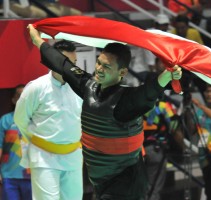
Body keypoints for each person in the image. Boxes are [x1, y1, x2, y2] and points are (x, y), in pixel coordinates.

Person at [27, 24, 182, 200]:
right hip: (100, 180)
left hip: (126, 182)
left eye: (107, 67)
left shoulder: (127, 101)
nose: (99, 69)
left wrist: (168, 75)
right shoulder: (87, 86)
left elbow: (149, 91)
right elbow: (63, 65)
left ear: (122, 72)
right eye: (99, 63)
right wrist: (38, 41)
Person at [14, 40, 83, 200]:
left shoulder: (80, 87)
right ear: (53, 60)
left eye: (75, 63)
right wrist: (36, 140)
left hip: (73, 155)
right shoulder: (36, 87)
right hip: (44, 156)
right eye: (68, 63)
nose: (72, 67)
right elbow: (20, 119)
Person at [0, 84, 32, 200]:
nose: (23, 99)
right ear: (14, 100)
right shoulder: (5, 120)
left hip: (34, 176)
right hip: (9, 176)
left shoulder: (39, 121)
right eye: (19, 96)